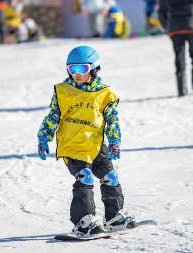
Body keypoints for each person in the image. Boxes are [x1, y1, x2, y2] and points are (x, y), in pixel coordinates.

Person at [37, 46, 136, 237]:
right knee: (85, 177)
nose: (76, 74)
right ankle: (83, 221)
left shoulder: (104, 93)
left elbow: (112, 119)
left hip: (97, 146)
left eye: (81, 69)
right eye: (72, 69)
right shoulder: (63, 91)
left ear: (94, 68)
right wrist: (43, 138)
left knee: (111, 177)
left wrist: (115, 141)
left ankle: (114, 217)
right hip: (73, 146)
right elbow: (53, 116)